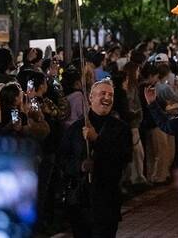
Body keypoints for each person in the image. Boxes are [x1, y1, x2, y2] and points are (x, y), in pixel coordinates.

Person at [59, 79, 132, 237]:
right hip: (80, 201)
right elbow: (63, 160)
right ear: (91, 97)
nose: (107, 98)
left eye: (110, 95)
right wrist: (80, 166)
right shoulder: (75, 129)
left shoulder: (121, 129)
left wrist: (97, 140)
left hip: (107, 200)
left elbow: (124, 157)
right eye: (103, 93)